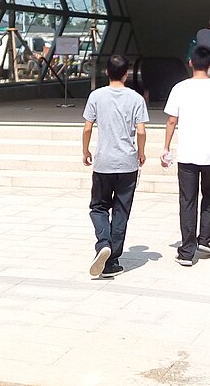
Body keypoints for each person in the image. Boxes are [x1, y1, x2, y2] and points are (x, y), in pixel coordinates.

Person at [162, 45, 210, 266]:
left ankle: (186, 252)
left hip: (186, 154)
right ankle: (206, 239)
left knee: (187, 200)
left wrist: (166, 148)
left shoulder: (179, 88)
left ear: (190, 62)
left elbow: (172, 120)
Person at [82, 54, 149, 279]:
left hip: (103, 163)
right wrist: (141, 153)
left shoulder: (96, 96)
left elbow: (87, 127)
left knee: (99, 207)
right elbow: (140, 131)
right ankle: (112, 261)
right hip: (127, 163)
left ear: (106, 72)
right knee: (121, 210)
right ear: (126, 73)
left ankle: (103, 242)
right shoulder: (136, 98)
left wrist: (85, 150)